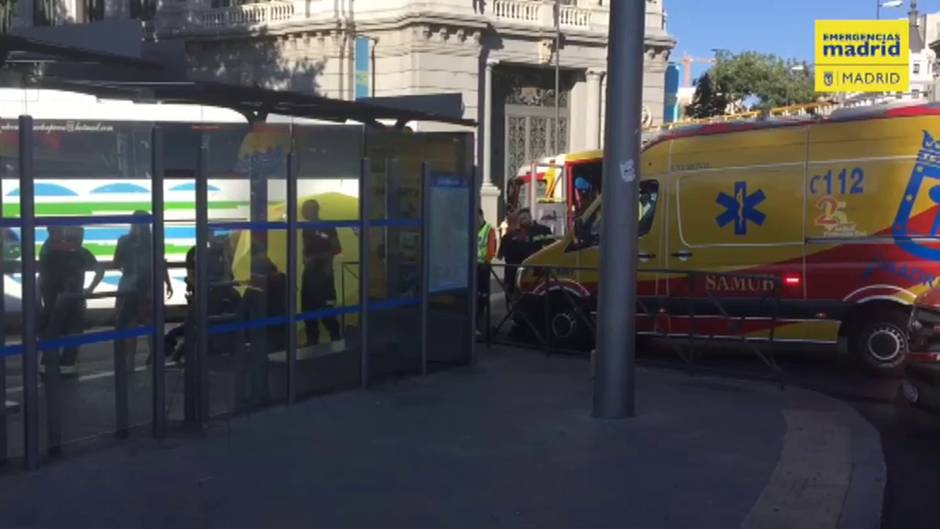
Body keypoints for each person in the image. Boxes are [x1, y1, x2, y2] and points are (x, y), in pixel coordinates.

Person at [113, 212, 173, 368]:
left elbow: (116, 262)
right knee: (148, 325)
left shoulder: (124, 241)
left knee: (132, 325)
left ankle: (130, 364)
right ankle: (152, 361)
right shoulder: (154, 241)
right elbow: (160, 263)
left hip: (131, 285)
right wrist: (166, 282)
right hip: (147, 285)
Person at [41, 226, 104, 375]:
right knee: (74, 331)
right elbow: (100, 271)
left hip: (54, 299)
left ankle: (47, 363)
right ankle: (68, 364)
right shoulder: (82, 253)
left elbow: (42, 277)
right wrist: (90, 289)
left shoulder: (51, 251)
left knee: (53, 331)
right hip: (75, 298)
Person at [301, 199, 342, 346]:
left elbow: (337, 248)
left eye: (309, 209)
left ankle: (335, 340)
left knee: (327, 312)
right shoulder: (306, 229)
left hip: (323, 275)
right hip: (312, 274)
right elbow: (305, 252)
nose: (307, 212)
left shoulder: (327, 227)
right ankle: (313, 342)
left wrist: (319, 257)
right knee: (309, 311)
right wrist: (307, 260)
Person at [497, 211, 528, 308]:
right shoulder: (524, 235)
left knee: (509, 289)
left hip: (510, 268)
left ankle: (511, 308)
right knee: (520, 289)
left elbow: (499, 255)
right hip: (522, 268)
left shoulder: (506, 237)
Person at [476, 208, 497, 334]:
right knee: (475, 296)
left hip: (483, 266)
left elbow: (491, 249)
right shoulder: (473, 227)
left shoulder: (489, 229)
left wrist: (486, 261)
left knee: (482, 296)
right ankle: (477, 324)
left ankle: (481, 324)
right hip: (474, 266)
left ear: (481, 216)